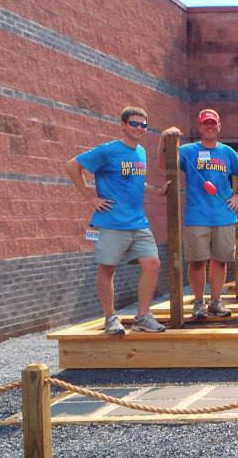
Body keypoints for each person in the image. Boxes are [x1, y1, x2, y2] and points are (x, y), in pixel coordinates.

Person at [65, 106, 168, 335]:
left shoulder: (140, 152)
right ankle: (110, 317)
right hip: (111, 221)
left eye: (144, 125)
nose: (140, 128)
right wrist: (90, 197)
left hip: (138, 222)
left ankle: (143, 316)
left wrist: (156, 190)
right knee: (108, 268)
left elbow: (133, 180)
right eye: (134, 123)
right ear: (123, 125)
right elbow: (72, 166)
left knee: (153, 264)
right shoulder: (108, 151)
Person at [162, 109, 238, 318]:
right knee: (197, 261)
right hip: (197, 215)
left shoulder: (227, 152)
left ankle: (216, 301)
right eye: (205, 123)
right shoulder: (188, 150)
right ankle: (199, 302)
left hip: (224, 216)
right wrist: (162, 141)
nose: (210, 127)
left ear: (219, 126)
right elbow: (166, 165)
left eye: (213, 123)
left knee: (220, 260)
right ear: (199, 127)